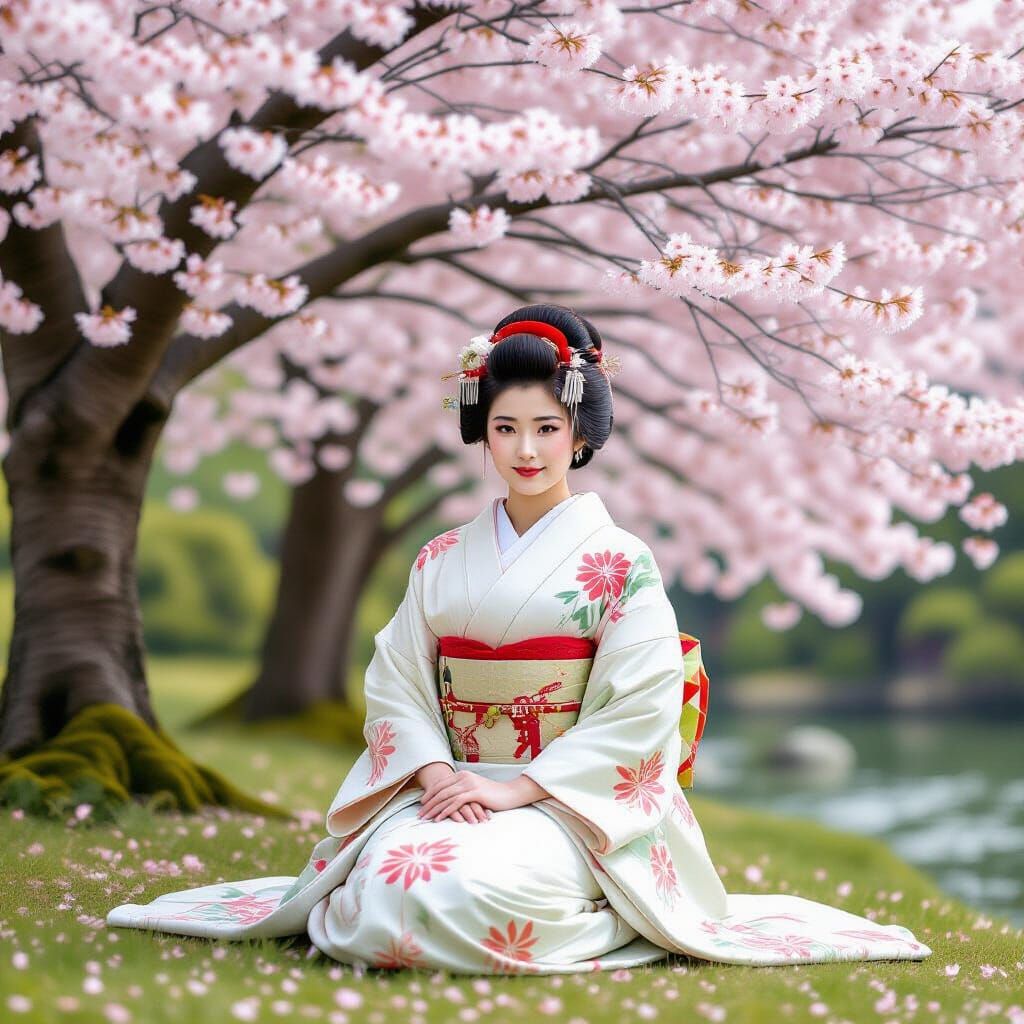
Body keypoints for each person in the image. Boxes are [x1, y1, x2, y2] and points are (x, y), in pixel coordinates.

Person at [106, 304, 932, 973]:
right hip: (446, 783)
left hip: (567, 804)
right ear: (483, 432)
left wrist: (516, 788)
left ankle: (610, 908)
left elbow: (639, 714)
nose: (526, 449)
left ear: (579, 434)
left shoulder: (621, 562)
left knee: (463, 891)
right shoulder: (440, 558)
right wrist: (435, 773)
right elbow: (397, 679)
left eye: (546, 428)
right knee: (392, 884)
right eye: (506, 428)